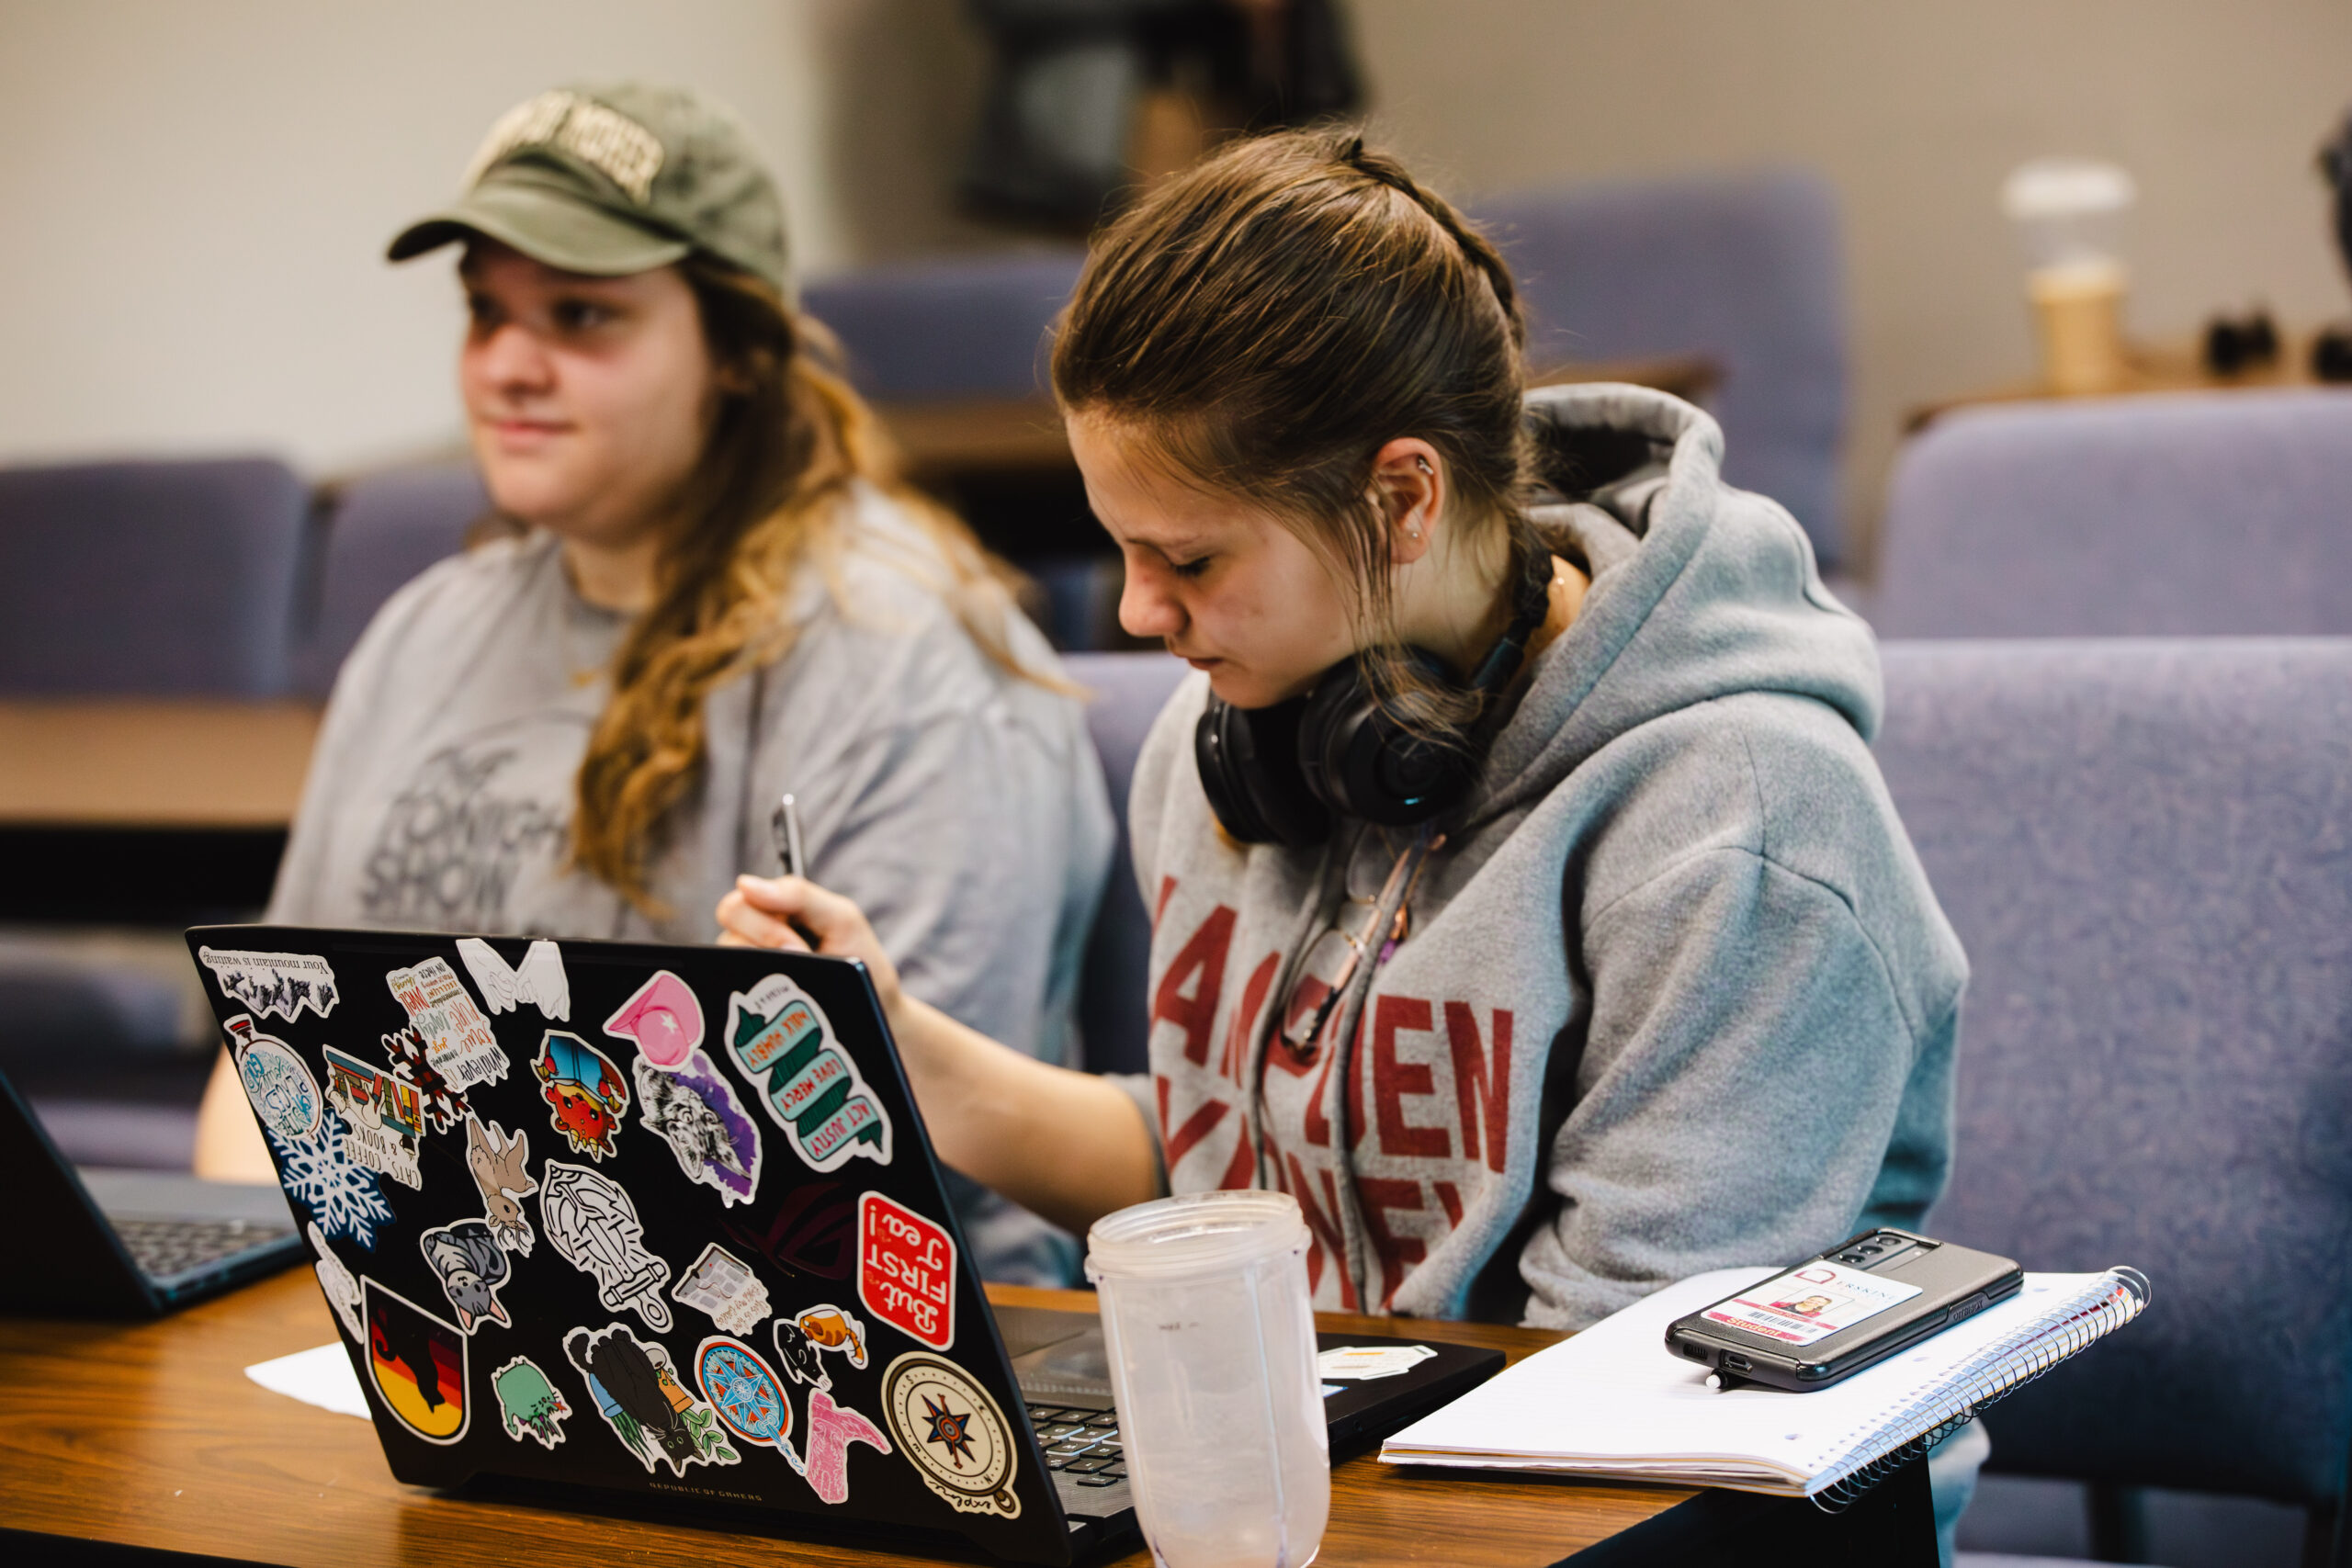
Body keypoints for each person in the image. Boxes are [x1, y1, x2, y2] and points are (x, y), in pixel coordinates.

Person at [719, 127, 1988, 1551]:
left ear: (1400, 501)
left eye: (1189, 558)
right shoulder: (1235, 742)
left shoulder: (1738, 824)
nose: (1137, 614)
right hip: (1336, 1489)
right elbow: (1231, 1180)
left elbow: (1620, 1404)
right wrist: (889, 1037)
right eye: (1119, 549)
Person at [193, 83, 1114, 1284]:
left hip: (794, 1325)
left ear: (733, 350)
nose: (507, 366)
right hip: (438, 1303)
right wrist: (255, 1288)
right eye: (485, 311)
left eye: (581, 315)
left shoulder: (901, 656)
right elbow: (270, 1043)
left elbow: (880, 1158)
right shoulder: (425, 632)